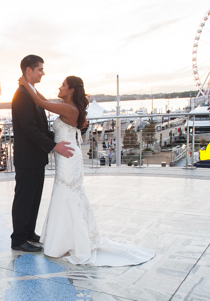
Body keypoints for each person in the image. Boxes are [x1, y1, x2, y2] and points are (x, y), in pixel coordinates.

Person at [17, 74, 154, 266]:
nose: (60, 87)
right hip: (67, 155)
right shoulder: (70, 107)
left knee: (67, 194)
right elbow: (44, 101)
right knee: (66, 194)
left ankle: (68, 241)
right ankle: (65, 239)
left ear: (71, 90)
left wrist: (27, 84)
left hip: (68, 158)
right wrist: (30, 86)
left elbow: (40, 102)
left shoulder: (68, 108)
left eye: (63, 85)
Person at [10, 55, 74, 252]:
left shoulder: (31, 92)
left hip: (36, 158)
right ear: (28, 70)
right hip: (27, 158)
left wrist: (57, 139)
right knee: (24, 198)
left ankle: (29, 233)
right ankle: (18, 239)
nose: (42, 73)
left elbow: (40, 126)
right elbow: (30, 129)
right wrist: (54, 146)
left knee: (34, 197)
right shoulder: (21, 95)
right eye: (40, 69)